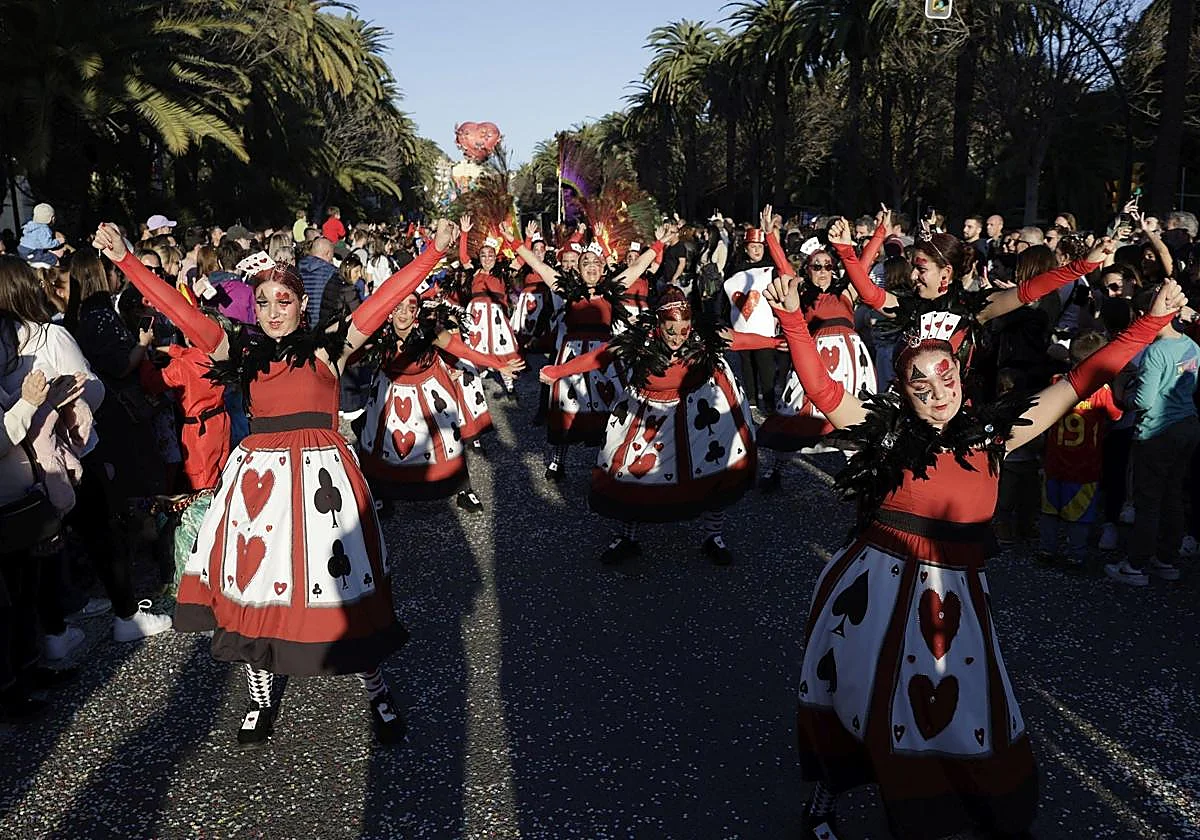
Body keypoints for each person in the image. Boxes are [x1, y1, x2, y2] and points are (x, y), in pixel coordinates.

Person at [766, 269, 1189, 840]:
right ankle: (825, 794)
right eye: (920, 385)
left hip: (953, 599)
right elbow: (822, 390)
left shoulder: (997, 437)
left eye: (946, 380)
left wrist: (1153, 320)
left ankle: (935, 807)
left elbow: (1085, 377)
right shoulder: (881, 432)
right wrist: (793, 319)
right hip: (876, 588)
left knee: (962, 709)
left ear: (964, 379)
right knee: (856, 694)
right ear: (902, 389)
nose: (937, 395)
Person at [91, 217, 458, 746]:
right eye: (262, 302)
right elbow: (181, 312)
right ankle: (261, 696)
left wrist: (435, 254)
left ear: (301, 304)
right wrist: (127, 260)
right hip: (258, 486)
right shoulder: (238, 350)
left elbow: (382, 302)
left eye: (282, 300)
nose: (271, 312)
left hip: (322, 485)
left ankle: (376, 689)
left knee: (346, 590)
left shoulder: (331, 347)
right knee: (254, 589)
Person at [539, 286, 771, 565]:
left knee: (715, 474)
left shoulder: (702, 336)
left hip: (697, 410)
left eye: (684, 329)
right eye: (670, 329)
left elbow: (738, 340)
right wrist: (559, 371)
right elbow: (600, 356)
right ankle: (627, 537)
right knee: (627, 472)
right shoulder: (640, 339)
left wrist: (775, 342)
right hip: (648, 412)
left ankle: (714, 536)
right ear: (658, 324)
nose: (677, 337)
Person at [509, 221, 672, 482]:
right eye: (586, 264)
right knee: (567, 410)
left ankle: (608, 462)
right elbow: (540, 266)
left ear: (604, 267)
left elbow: (638, 267)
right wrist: (516, 243)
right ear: (579, 270)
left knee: (611, 412)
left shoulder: (611, 289)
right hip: (571, 359)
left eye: (596, 263)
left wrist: (659, 244)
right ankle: (557, 461)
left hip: (605, 359)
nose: (592, 268)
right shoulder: (566, 288)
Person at [355, 292, 524, 513]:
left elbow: (463, 350)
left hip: (430, 392)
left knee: (448, 444)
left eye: (410, 307)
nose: (404, 312)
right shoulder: (379, 334)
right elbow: (348, 353)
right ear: (390, 310)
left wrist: (499, 365)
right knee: (383, 444)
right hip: (391, 394)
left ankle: (464, 490)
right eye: (399, 307)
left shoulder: (430, 331)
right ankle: (380, 493)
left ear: (417, 313)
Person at [758, 212, 880, 479]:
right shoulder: (799, 294)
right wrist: (770, 236)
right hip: (814, 361)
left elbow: (865, 263)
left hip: (850, 362)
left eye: (828, 266)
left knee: (854, 415)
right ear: (807, 270)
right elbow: (783, 269)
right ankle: (778, 469)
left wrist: (881, 231)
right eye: (817, 266)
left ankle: (859, 475)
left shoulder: (847, 292)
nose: (823, 271)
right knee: (795, 413)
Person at [1105, 289, 1200, 586]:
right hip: (1188, 423)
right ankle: (1166, 559)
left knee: (1148, 500)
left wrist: (1123, 389)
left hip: (1157, 431)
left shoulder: (1156, 352)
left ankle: (1135, 565)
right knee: (1173, 494)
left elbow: (1143, 401)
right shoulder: (1192, 346)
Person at [1037, 332, 1121, 569]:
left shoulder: (1056, 382)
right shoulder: (1101, 391)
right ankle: (1076, 554)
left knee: (1050, 509)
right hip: (1085, 465)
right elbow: (1116, 415)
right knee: (1080, 514)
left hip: (1054, 460)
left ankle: (1047, 549)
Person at [458, 216, 521, 395]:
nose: (487, 259)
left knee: (502, 348)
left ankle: (509, 385)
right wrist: (464, 233)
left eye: (490, 255)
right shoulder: (475, 272)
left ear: (496, 256)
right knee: (473, 347)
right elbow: (463, 257)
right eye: (483, 255)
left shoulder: (503, 272)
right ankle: (474, 383)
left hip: (496, 316)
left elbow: (521, 259)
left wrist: (514, 238)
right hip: (476, 316)